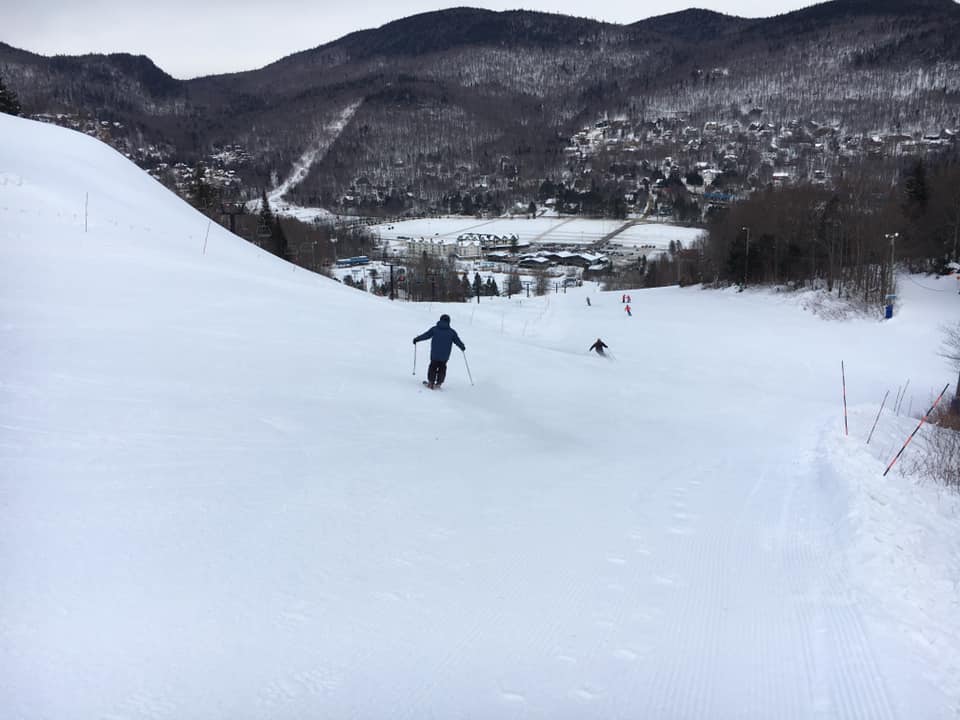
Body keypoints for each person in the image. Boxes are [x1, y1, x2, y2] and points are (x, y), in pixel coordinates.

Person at [413, 314, 466, 389]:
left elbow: (426, 335)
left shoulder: (434, 329)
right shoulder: (452, 332)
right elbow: (457, 341)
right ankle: (439, 383)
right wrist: (462, 347)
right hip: (445, 355)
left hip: (434, 354)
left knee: (433, 367)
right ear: (448, 322)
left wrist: (417, 339)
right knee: (442, 368)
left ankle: (431, 382)